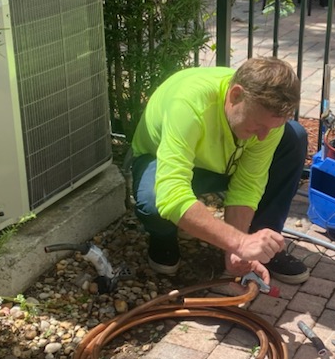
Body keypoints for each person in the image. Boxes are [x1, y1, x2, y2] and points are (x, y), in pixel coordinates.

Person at [130, 57, 310, 285]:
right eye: (258, 125)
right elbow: (171, 192)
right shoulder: (188, 103)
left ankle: (264, 244)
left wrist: (240, 247)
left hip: (221, 163)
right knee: (154, 199)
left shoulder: (267, 118)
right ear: (235, 96)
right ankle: (163, 237)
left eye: (270, 127)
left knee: (293, 137)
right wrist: (237, 241)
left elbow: (248, 184)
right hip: (158, 159)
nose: (263, 136)